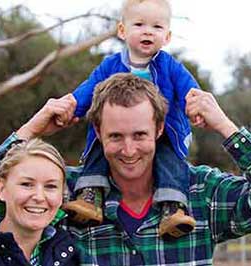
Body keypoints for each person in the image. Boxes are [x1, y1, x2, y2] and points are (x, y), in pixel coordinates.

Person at [0, 73, 251, 266]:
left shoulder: (200, 193)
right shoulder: (72, 195)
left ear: (160, 129)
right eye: (115, 137)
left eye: (140, 135)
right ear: (98, 134)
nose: (129, 150)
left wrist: (225, 127)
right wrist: (31, 129)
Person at [67, 0, 199, 239]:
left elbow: (189, 89)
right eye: (139, 24)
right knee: (99, 150)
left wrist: (196, 104)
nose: (148, 31)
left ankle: (172, 209)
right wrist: (71, 106)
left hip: (164, 132)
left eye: (157, 27)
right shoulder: (111, 65)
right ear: (122, 30)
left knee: (170, 162)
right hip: (117, 129)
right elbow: (88, 89)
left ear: (167, 36)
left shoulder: (170, 66)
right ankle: (89, 197)